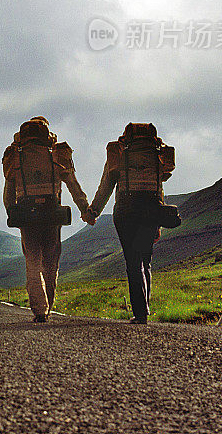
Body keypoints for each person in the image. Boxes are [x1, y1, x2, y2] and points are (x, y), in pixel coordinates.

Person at [3, 116, 94, 322]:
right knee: (51, 262)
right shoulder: (56, 153)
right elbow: (73, 184)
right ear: (46, 131)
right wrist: (85, 209)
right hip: (52, 213)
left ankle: (40, 309)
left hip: (26, 215)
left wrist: (13, 214)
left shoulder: (16, 156)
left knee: (33, 261)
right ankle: (48, 306)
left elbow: (8, 193)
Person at [84, 123, 176, 324]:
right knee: (146, 260)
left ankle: (140, 313)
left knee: (133, 264)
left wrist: (93, 211)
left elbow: (106, 186)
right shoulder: (155, 153)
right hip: (152, 208)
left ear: (127, 136)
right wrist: (158, 223)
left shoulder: (119, 152)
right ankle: (145, 309)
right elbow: (158, 188)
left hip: (126, 210)